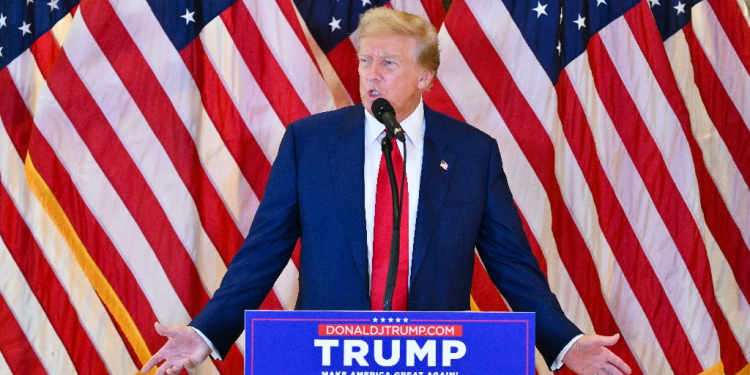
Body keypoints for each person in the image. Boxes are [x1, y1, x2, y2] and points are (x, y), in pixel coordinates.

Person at [141, 7, 632, 375]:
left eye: (389, 63)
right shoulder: (309, 144)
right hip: (324, 356)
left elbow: (513, 267)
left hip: (437, 359)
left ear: (425, 76)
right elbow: (263, 252)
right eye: (365, 61)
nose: (371, 73)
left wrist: (566, 344)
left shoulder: (472, 154)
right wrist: (207, 331)